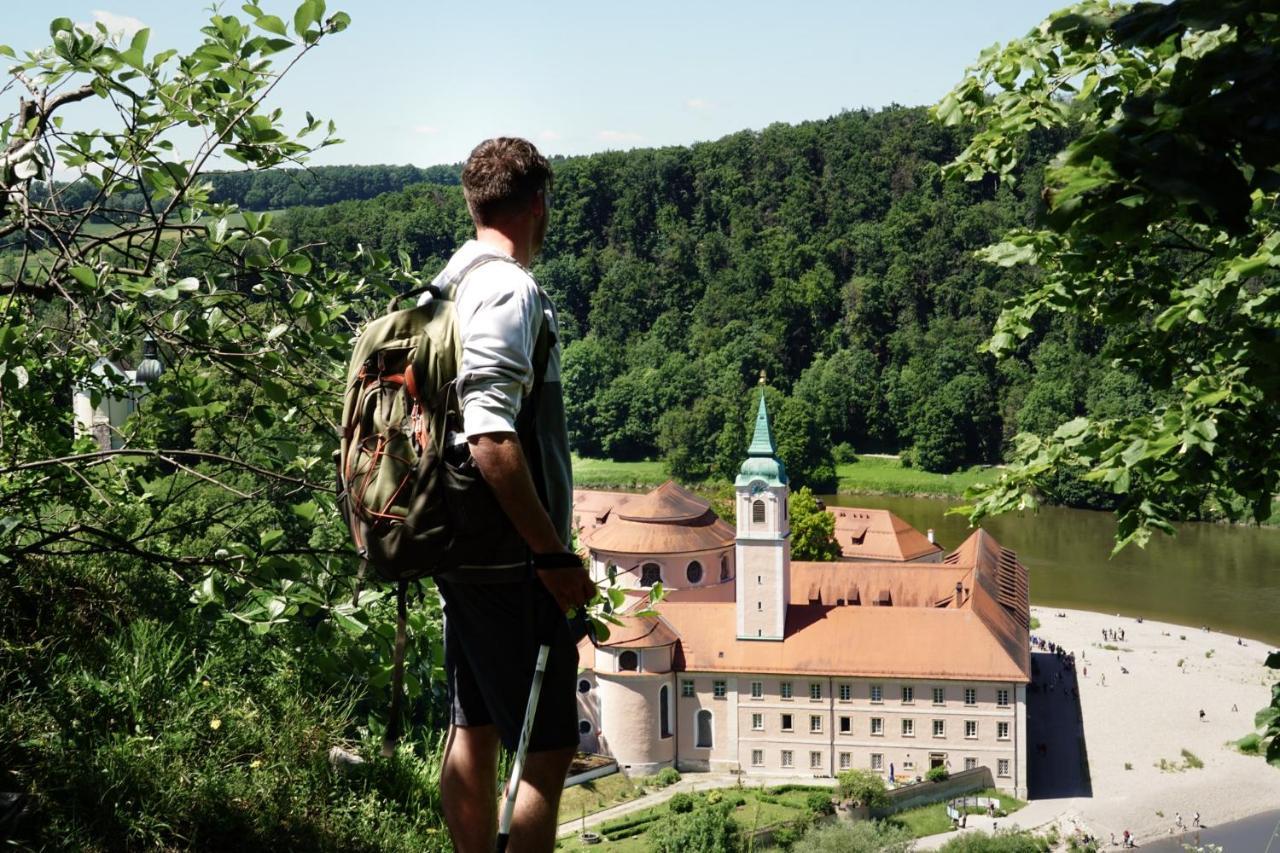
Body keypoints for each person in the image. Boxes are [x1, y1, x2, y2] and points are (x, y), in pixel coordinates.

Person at [431, 137, 596, 853]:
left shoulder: (444, 283)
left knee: (473, 725)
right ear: (537, 205)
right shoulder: (507, 287)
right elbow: (490, 437)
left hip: (459, 548)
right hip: (511, 564)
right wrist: (552, 556)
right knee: (546, 749)